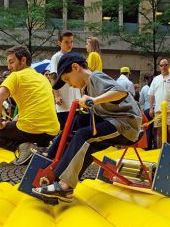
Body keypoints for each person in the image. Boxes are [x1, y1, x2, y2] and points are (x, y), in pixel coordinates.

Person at [32, 52, 142, 203]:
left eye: (67, 79)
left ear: (76, 67)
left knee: (84, 135)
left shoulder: (95, 77)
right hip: (112, 120)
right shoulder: (86, 87)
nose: (69, 84)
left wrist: (94, 100)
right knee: (79, 123)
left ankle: (65, 187)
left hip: (125, 125)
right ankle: (51, 158)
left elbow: (121, 91)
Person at [0, 45, 60, 165]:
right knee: (27, 129)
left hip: (31, 129)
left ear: (23, 60)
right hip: (51, 131)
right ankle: (40, 150)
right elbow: (35, 105)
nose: (9, 67)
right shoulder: (42, 78)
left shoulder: (16, 76)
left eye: (11, 62)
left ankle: (26, 148)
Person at [50, 30, 81, 130]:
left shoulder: (75, 57)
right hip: (64, 102)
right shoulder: (56, 57)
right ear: (59, 43)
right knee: (64, 132)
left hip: (76, 101)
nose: (70, 44)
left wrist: (81, 95)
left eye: (71, 42)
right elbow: (53, 76)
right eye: (66, 42)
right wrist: (57, 96)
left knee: (75, 131)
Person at [149, 58, 170, 148]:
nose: (164, 67)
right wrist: (151, 108)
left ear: (168, 66)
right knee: (159, 132)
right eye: (162, 65)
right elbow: (151, 94)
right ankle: (159, 151)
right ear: (159, 67)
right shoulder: (156, 79)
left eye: (166, 65)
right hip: (158, 109)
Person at [139, 74, 155, 149]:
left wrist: (142, 111)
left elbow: (141, 101)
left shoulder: (144, 88)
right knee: (156, 129)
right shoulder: (156, 87)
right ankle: (156, 146)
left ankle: (147, 147)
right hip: (156, 110)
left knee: (147, 130)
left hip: (146, 110)